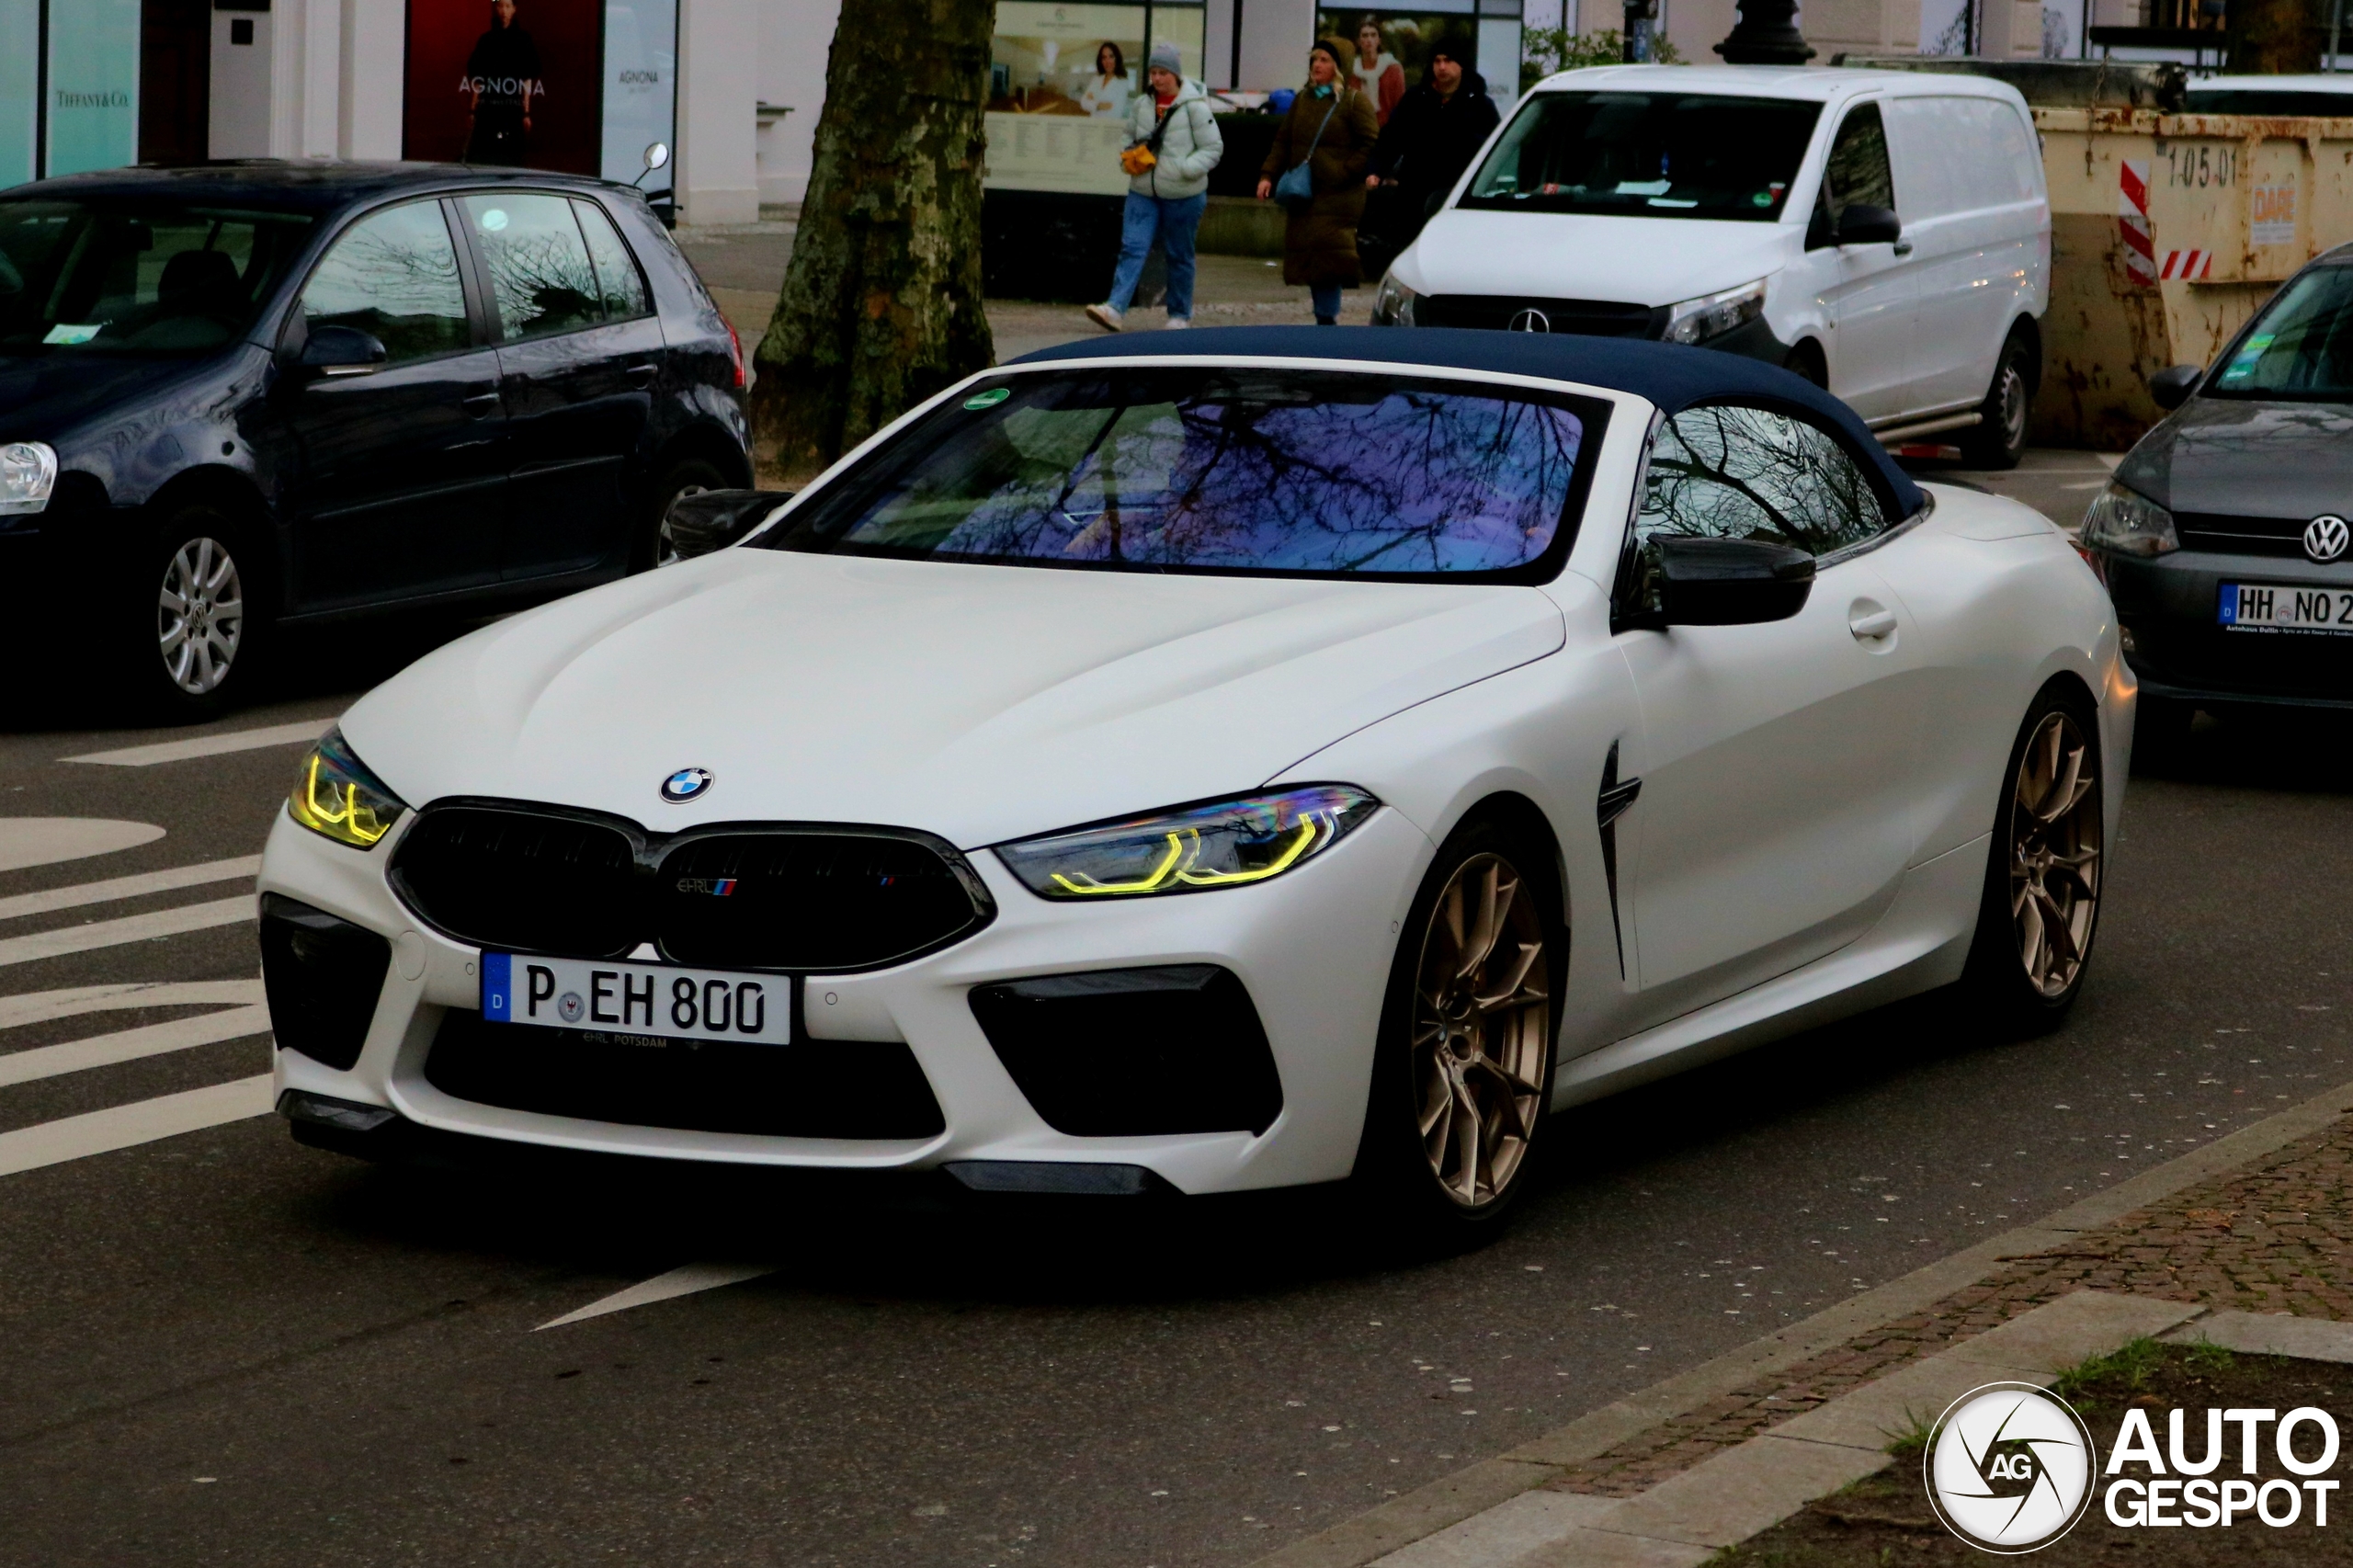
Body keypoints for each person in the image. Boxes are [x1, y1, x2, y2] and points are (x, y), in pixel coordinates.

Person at [1086, 41, 1223, 333]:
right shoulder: (1142, 104)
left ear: (1175, 74)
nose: (1157, 79)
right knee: (1132, 247)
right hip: (1143, 192)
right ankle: (1114, 309)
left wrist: (1186, 169)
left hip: (1183, 195)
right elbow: (1128, 136)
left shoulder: (1195, 107)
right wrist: (1128, 160)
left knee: (1179, 254)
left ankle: (1179, 315)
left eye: (1163, 73)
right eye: (1154, 73)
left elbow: (1213, 148)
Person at [1256, 40, 1379, 325]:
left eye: (1324, 59)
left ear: (1339, 66)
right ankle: (1324, 316)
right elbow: (1283, 141)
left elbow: (1371, 142)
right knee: (1311, 255)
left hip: (1339, 197)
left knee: (1330, 255)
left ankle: (1327, 317)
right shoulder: (1302, 99)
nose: (1317, 66)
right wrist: (1267, 175)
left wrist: (1345, 171)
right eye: (1314, 59)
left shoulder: (1353, 101)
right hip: (1306, 193)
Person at [1361, 46, 1498, 270]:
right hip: (1415, 190)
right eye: (1437, 61)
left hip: (1456, 192)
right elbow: (1392, 137)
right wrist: (1376, 169)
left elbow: (1492, 148)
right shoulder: (1416, 99)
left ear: (1461, 65)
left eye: (1448, 60)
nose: (1442, 67)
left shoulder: (1480, 104)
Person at [462, 0, 542, 165]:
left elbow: (527, 78)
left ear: (514, 9)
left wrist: (526, 112)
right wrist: (473, 109)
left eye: (507, 6)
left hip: (512, 108)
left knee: (513, 156)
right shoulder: (486, 40)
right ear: (495, 9)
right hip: (488, 108)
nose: (504, 11)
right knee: (483, 155)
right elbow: (479, 78)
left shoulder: (523, 40)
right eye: (500, 6)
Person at [1352, 17, 1406, 125]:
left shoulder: (1393, 68)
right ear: (1358, 41)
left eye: (1373, 35)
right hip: (1358, 129)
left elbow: (1400, 105)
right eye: (1365, 35)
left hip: (1387, 129)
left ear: (1379, 40)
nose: (1369, 40)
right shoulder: (1352, 70)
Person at [1077, 41, 1131, 119]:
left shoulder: (1123, 82)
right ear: (1101, 60)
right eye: (1104, 57)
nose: (1107, 61)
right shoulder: (1096, 79)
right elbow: (1083, 102)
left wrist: (1092, 102)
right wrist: (1100, 105)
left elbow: (1116, 113)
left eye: (1111, 56)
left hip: (1108, 128)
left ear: (1117, 58)